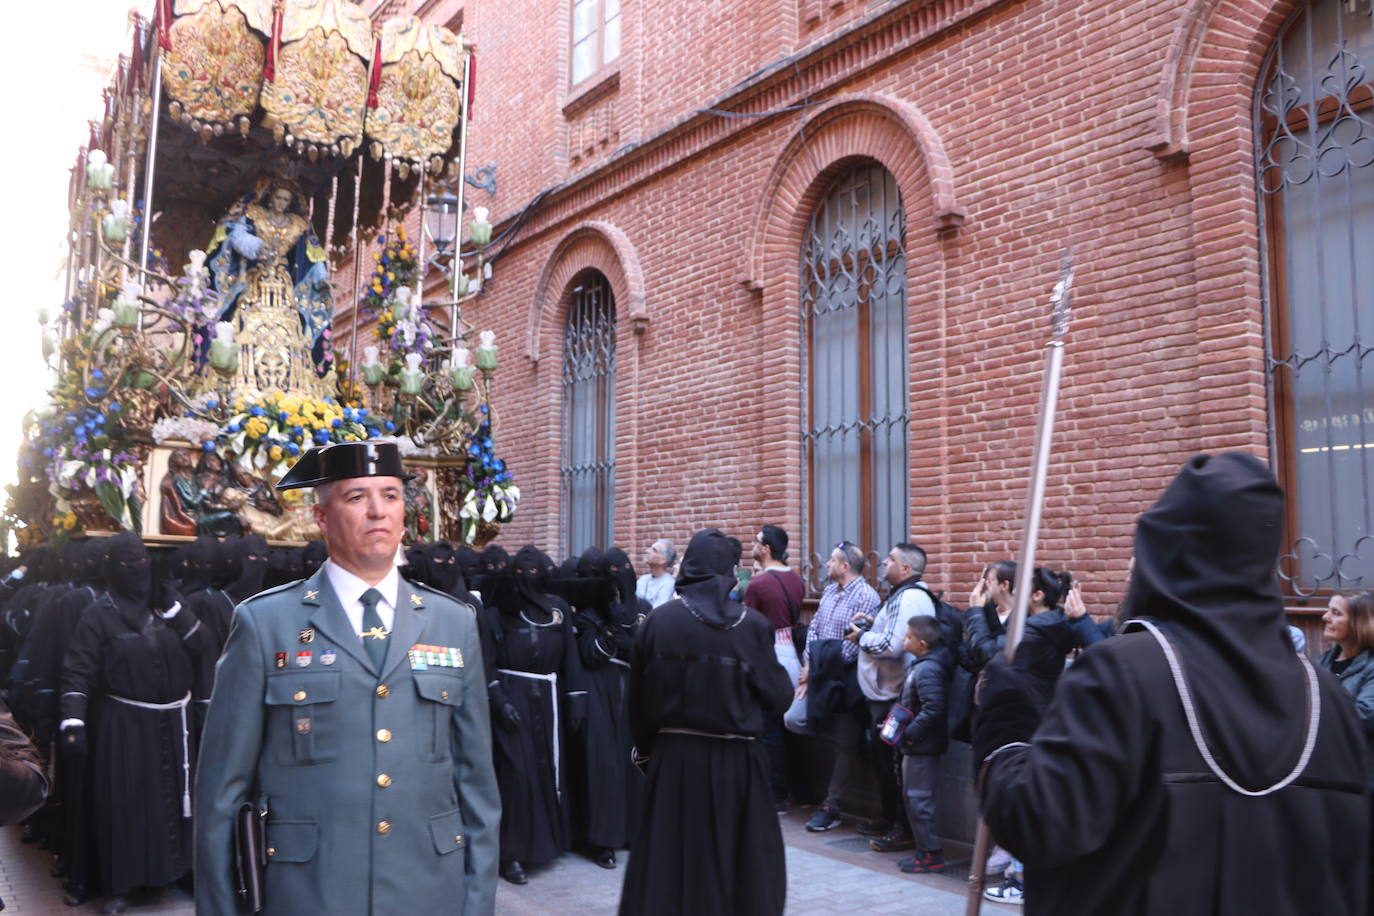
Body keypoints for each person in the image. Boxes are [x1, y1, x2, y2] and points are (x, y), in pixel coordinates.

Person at [974, 452, 1370, 914]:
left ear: (1161, 557)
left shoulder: (1119, 674)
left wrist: (1006, 724)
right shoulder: (1328, 698)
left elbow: (1039, 820)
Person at [194, 441, 500, 915]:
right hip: (309, 892)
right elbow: (221, 794)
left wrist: (477, 904)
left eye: (391, 495)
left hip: (426, 889)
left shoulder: (452, 622)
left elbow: (476, 784)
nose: (378, 510)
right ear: (321, 517)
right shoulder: (265, 624)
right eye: (357, 497)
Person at [620, 529, 794, 916]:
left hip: (674, 762)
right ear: (729, 572)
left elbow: (637, 704)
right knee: (738, 868)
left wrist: (649, 755)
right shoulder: (752, 626)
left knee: (672, 865)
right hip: (739, 765)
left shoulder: (658, 622)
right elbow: (779, 697)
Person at [60, 533, 213, 915]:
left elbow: (204, 647)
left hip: (175, 724)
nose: (138, 573)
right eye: (127, 566)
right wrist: (73, 721)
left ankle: (180, 870)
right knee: (125, 804)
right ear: (112, 569)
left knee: (180, 801)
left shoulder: (168, 603)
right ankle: (120, 884)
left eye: (142, 563)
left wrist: (179, 613)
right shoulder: (99, 614)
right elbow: (77, 669)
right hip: (124, 725)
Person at [481, 545, 583, 886]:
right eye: (521, 573)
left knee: (547, 770)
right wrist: (498, 699)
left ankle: (549, 843)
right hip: (514, 696)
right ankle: (511, 853)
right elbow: (487, 660)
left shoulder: (557, 610)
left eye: (534, 571)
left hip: (549, 698)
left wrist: (575, 699)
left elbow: (570, 656)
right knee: (515, 774)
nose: (529, 578)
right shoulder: (498, 613)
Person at [849, 542, 936, 852]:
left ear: (906, 569)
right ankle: (888, 818)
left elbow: (892, 646)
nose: (883, 563)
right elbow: (895, 633)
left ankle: (902, 829)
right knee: (885, 762)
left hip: (892, 696)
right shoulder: (904, 596)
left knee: (895, 765)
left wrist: (862, 636)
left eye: (890, 560)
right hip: (888, 694)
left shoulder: (910, 596)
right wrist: (875, 624)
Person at [787, 541, 878, 833]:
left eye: (831, 560)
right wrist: (810, 665)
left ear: (845, 566)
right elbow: (813, 630)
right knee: (793, 718)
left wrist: (817, 667)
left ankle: (832, 804)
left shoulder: (866, 596)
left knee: (844, 744)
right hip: (820, 675)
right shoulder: (828, 591)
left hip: (846, 682)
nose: (826, 565)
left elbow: (852, 648)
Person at [743, 524, 805, 811]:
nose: (752, 546)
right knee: (787, 724)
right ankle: (796, 790)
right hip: (792, 652)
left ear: (766, 548)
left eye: (756, 542)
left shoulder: (757, 585)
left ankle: (775, 794)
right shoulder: (796, 580)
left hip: (768, 654)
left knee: (769, 727)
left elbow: (749, 624)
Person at [1318, 589, 1374, 905]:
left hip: (1363, 785)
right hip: (1327, 783)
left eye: (1336, 613)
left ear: (1361, 623)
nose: (1325, 617)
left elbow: (1365, 714)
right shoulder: (1321, 662)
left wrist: (1317, 713)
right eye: (1328, 610)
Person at [893, 615, 949, 874]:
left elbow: (933, 708)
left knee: (919, 800)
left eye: (908, 636)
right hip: (916, 745)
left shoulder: (928, 669)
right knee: (913, 799)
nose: (904, 640)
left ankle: (931, 855)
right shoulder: (923, 665)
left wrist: (909, 734)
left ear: (922, 643)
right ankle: (924, 851)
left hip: (922, 747)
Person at [635, 539, 676, 608]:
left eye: (654, 550)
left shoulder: (669, 584)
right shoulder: (643, 579)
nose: (647, 551)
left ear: (663, 560)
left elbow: (657, 614)